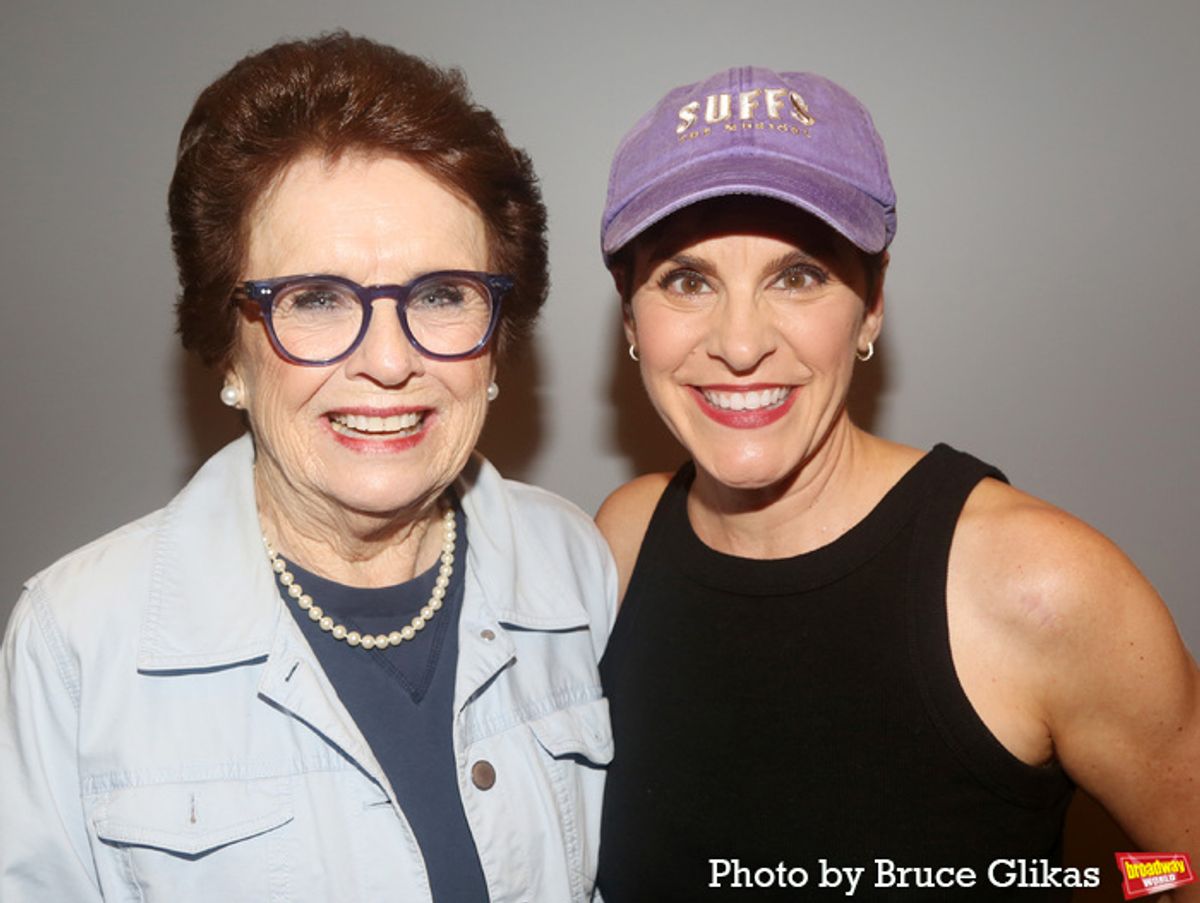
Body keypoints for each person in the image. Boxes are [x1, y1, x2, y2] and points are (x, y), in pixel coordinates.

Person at [0, 33, 615, 902]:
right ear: (230, 353)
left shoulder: (575, 568)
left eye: (441, 294)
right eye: (316, 300)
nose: (390, 360)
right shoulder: (76, 644)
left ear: (498, 343)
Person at [593, 66, 1199, 900]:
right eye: (687, 279)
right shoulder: (621, 544)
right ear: (631, 317)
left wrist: (1106, 890)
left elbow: (1183, 861)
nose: (739, 342)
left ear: (872, 303)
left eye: (798, 274)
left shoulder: (1041, 587)